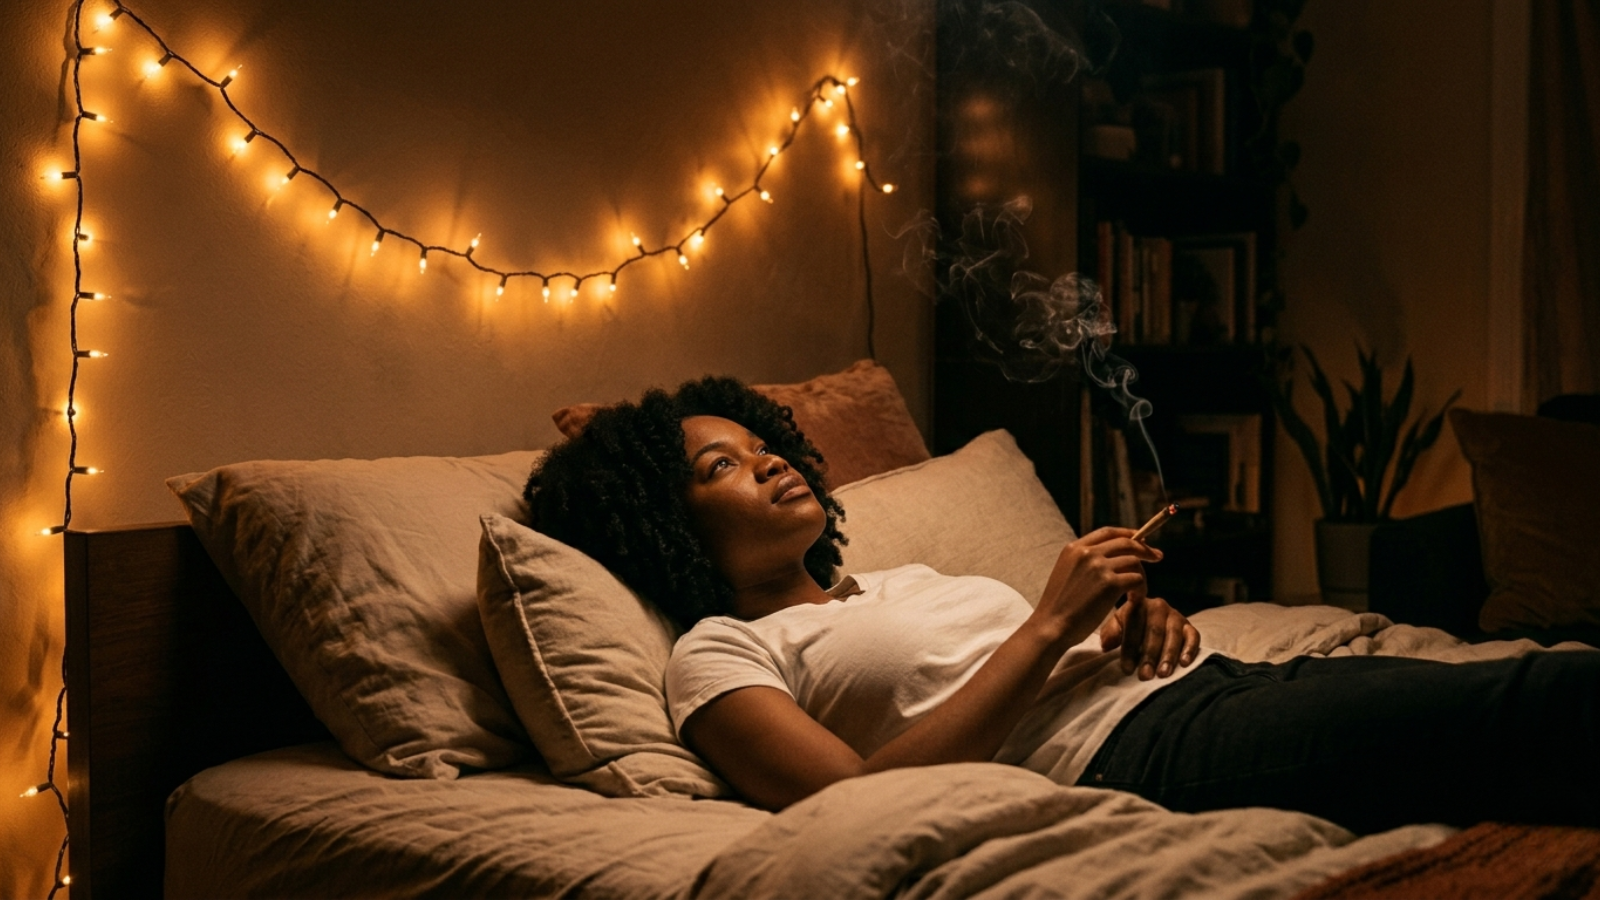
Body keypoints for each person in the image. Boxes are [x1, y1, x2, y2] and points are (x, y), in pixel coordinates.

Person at [527, 375, 1600, 834]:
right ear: (664, 527)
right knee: (1544, 702)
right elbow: (844, 800)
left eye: (763, 444)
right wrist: (1047, 626)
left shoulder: (896, 583)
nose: (768, 463)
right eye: (719, 466)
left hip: (1206, 691)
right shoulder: (719, 653)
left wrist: (1135, 627)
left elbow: (1062, 656)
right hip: (1139, 757)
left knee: (1536, 695)